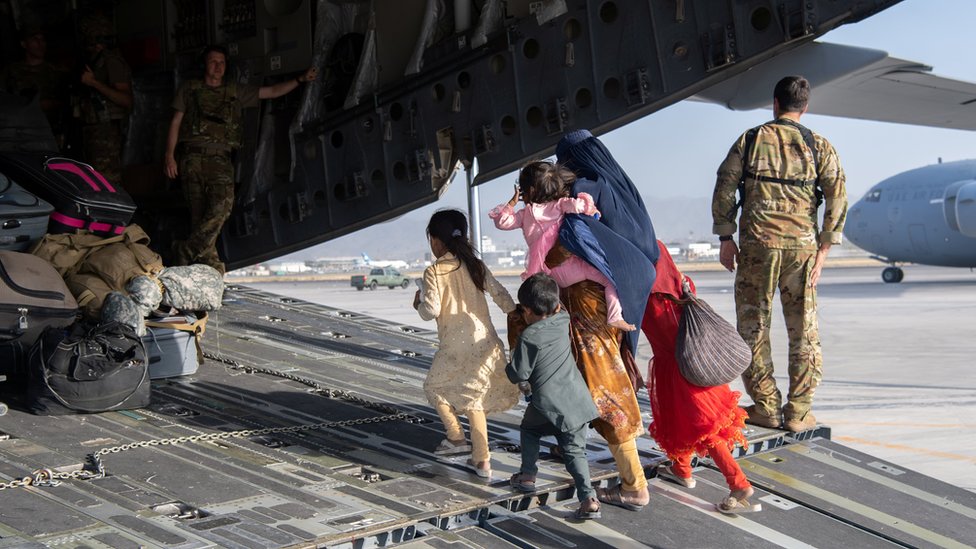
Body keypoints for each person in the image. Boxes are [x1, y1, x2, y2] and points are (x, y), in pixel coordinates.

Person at [509, 129, 659, 511]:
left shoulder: (585, 191)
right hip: (596, 298)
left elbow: (579, 242)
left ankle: (634, 485)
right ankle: (569, 447)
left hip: (586, 305)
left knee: (603, 386)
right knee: (582, 377)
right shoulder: (616, 188)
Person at [712, 75, 848, 432]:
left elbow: (725, 185)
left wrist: (726, 237)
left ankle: (766, 406)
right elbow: (837, 195)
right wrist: (824, 248)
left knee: (753, 329)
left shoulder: (751, 139)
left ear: (775, 104)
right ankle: (799, 412)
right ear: (805, 107)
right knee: (804, 331)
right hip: (801, 250)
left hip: (757, 247)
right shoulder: (819, 145)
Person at [163, 45, 317, 274]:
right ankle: (211, 269)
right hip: (192, 158)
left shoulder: (235, 91)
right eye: (213, 61)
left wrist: (300, 79)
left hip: (220, 161)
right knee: (199, 216)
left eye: (222, 62)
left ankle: (185, 250)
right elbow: (176, 122)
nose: (218, 66)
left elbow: (272, 91)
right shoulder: (190, 89)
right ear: (205, 64)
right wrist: (169, 156)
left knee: (222, 207)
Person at [643, 241, 760, 514]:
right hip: (697, 366)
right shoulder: (682, 284)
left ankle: (738, 482)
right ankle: (681, 469)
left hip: (679, 374)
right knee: (680, 420)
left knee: (704, 429)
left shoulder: (647, 299)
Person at [413, 209, 519, 478]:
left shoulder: (434, 272)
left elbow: (431, 311)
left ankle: (456, 438)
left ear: (435, 241)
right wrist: (516, 313)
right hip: (486, 342)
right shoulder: (475, 265)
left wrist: (418, 303)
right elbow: (500, 294)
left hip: (455, 346)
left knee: (434, 388)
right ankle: (482, 461)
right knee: (475, 400)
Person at [489, 160, 635, 331]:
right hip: (576, 268)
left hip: (549, 275)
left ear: (529, 191)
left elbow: (502, 222)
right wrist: (591, 209)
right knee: (611, 282)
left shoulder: (524, 214)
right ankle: (615, 316)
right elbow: (580, 205)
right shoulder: (560, 204)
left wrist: (511, 203)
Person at [506, 273, 601, 520]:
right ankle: (589, 498)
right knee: (574, 451)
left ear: (526, 310)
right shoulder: (563, 318)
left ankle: (527, 476)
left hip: (547, 404)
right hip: (577, 400)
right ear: (557, 306)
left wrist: (511, 357)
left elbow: (518, 374)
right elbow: (554, 304)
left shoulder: (529, 336)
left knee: (529, 431)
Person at [76, 14, 132, 184]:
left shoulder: (111, 61)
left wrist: (94, 83)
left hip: (107, 133)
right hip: (94, 131)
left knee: (108, 182)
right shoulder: (95, 61)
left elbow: (126, 100)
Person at [0, 27, 67, 145]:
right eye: (35, 39)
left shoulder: (56, 72)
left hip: (51, 132)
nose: (40, 44)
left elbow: (70, 102)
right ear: (24, 44)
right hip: (21, 133)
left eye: (42, 40)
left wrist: (51, 104)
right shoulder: (11, 71)